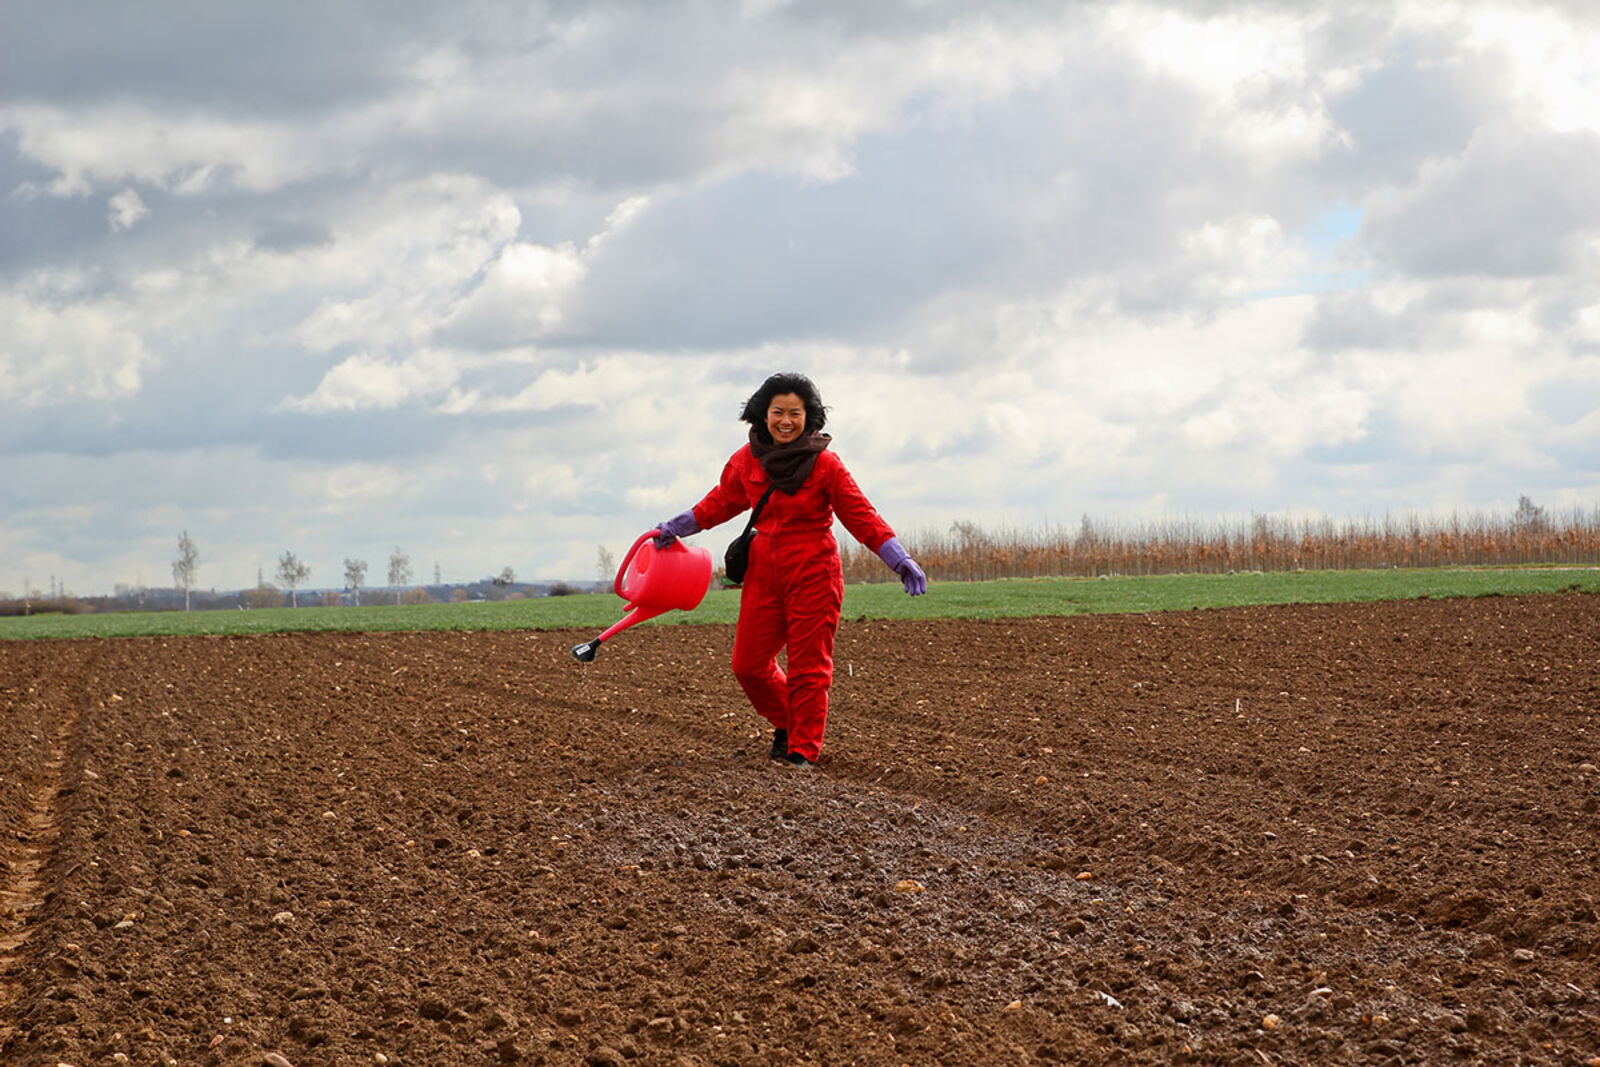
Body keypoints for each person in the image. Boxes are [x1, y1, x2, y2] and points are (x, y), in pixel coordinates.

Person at [654, 372, 927, 768]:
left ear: (809, 417)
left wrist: (898, 557)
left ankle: (802, 750)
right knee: (747, 665)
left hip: (814, 569)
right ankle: (788, 720)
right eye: (777, 412)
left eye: (794, 413)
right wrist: (677, 526)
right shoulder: (746, 460)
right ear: (762, 416)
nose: (786, 421)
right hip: (763, 569)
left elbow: (861, 515)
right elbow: (720, 502)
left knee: (808, 667)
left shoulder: (826, 464)